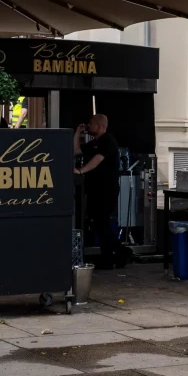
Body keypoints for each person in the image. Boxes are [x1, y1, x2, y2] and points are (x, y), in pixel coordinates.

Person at [74, 114, 127, 269]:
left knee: (102, 221)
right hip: (95, 189)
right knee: (98, 223)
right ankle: (113, 255)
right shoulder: (94, 143)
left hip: (107, 189)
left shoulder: (108, 141)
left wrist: (81, 170)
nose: (88, 125)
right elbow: (76, 151)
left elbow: (97, 160)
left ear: (100, 125)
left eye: (91, 123)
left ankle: (117, 254)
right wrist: (77, 133)